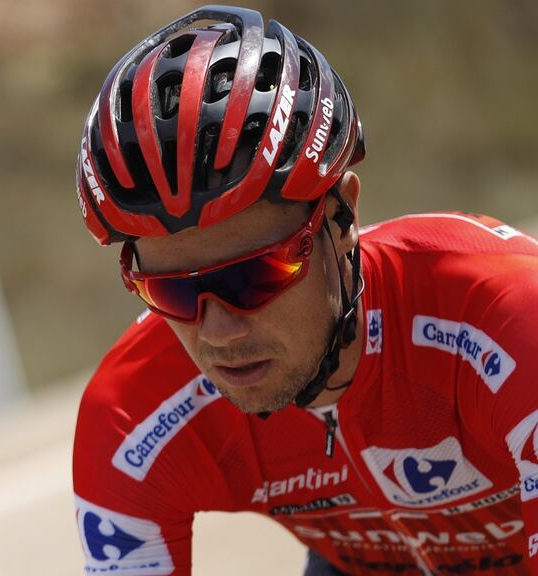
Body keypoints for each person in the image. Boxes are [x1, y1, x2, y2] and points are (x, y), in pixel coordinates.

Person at [70, 5, 538, 575]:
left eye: (252, 276)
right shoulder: (131, 415)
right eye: (172, 293)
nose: (217, 331)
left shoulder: (506, 319)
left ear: (342, 219)